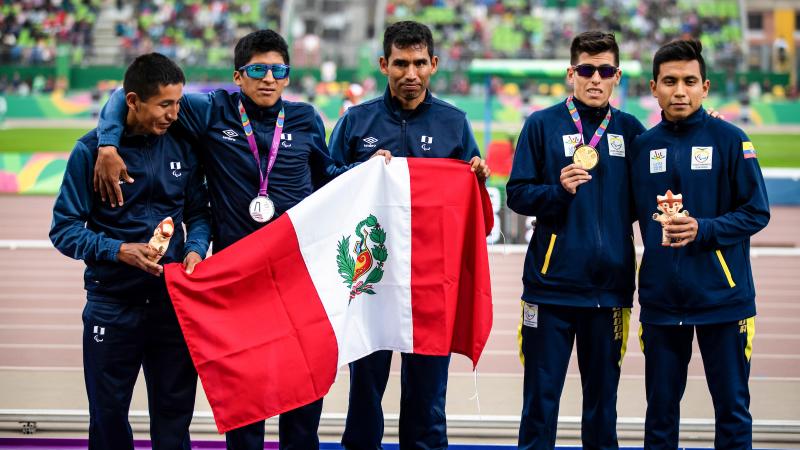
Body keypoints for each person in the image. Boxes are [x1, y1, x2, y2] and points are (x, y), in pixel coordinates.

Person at [92, 30, 387, 450]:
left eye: (278, 70)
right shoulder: (211, 110)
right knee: (247, 403)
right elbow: (128, 95)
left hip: (298, 281)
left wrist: (366, 170)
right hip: (239, 284)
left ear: (287, 76)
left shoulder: (305, 119)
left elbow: (328, 178)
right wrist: (106, 145)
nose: (268, 78)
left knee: (303, 402)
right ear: (238, 75)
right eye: (257, 69)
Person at [328, 20, 489, 450]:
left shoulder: (455, 124)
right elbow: (326, 187)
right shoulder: (356, 122)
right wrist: (356, 172)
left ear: (434, 64)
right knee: (364, 399)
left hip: (430, 284)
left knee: (427, 404)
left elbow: (477, 216)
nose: (410, 73)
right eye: (401, 63)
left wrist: (476, 179)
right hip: (370, 280)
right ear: (384, 64)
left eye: (420, 63)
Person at [50, 53, 212, 450]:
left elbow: (199, 212)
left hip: (172, 306)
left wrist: (194, 249)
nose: (176, 113)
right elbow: (64, 229)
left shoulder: (183, 144)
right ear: (134, 101)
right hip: (112, 306)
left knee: (174, 420)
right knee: (107, 420)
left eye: (178, 103)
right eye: (165, 105)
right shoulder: (90, 152)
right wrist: (118, 250)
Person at [505, 31, 646, 449]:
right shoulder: (541, 124)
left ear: (617, 76)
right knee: (539, 407)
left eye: (605, 70)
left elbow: (647, 198)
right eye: (586, 69)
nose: (595, 78)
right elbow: (516, 194)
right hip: (550, 292)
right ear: (572, 73)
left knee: (603, 410)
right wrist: (557, 191)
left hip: (609, 294)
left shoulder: (632, 131)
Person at [629, 39, 770, 449]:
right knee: (659, 417)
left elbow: (756, 211)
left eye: (689, 81)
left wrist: (702, 229)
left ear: (705, 87)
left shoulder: (731, 139)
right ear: (653, 88)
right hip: (660, 303)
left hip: (723, 302)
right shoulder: (642, 146)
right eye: (669, 81)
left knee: (731, 412)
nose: (679, 91)